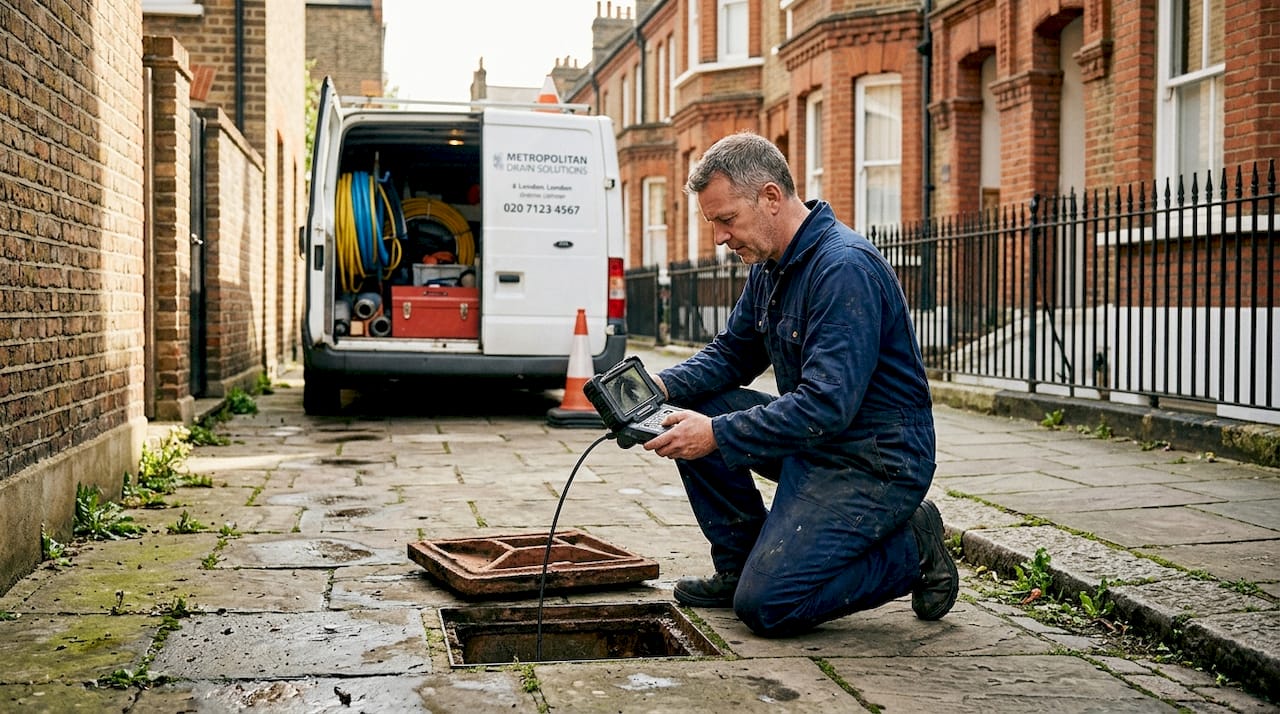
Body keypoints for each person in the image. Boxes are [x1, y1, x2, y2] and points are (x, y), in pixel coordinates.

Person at [642, 132, 957, 637]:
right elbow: (731, 355)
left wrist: (718, 435)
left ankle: (913, 546)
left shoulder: (843, 268)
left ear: (770, 197)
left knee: (769, 607)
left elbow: (825, 405)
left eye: (726, 220)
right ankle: (739, 564)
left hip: (874, 461)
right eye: (713, 223)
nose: (720, 238)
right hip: (820, 443)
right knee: (688, 404)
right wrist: (655, 386)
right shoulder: (772, 266)